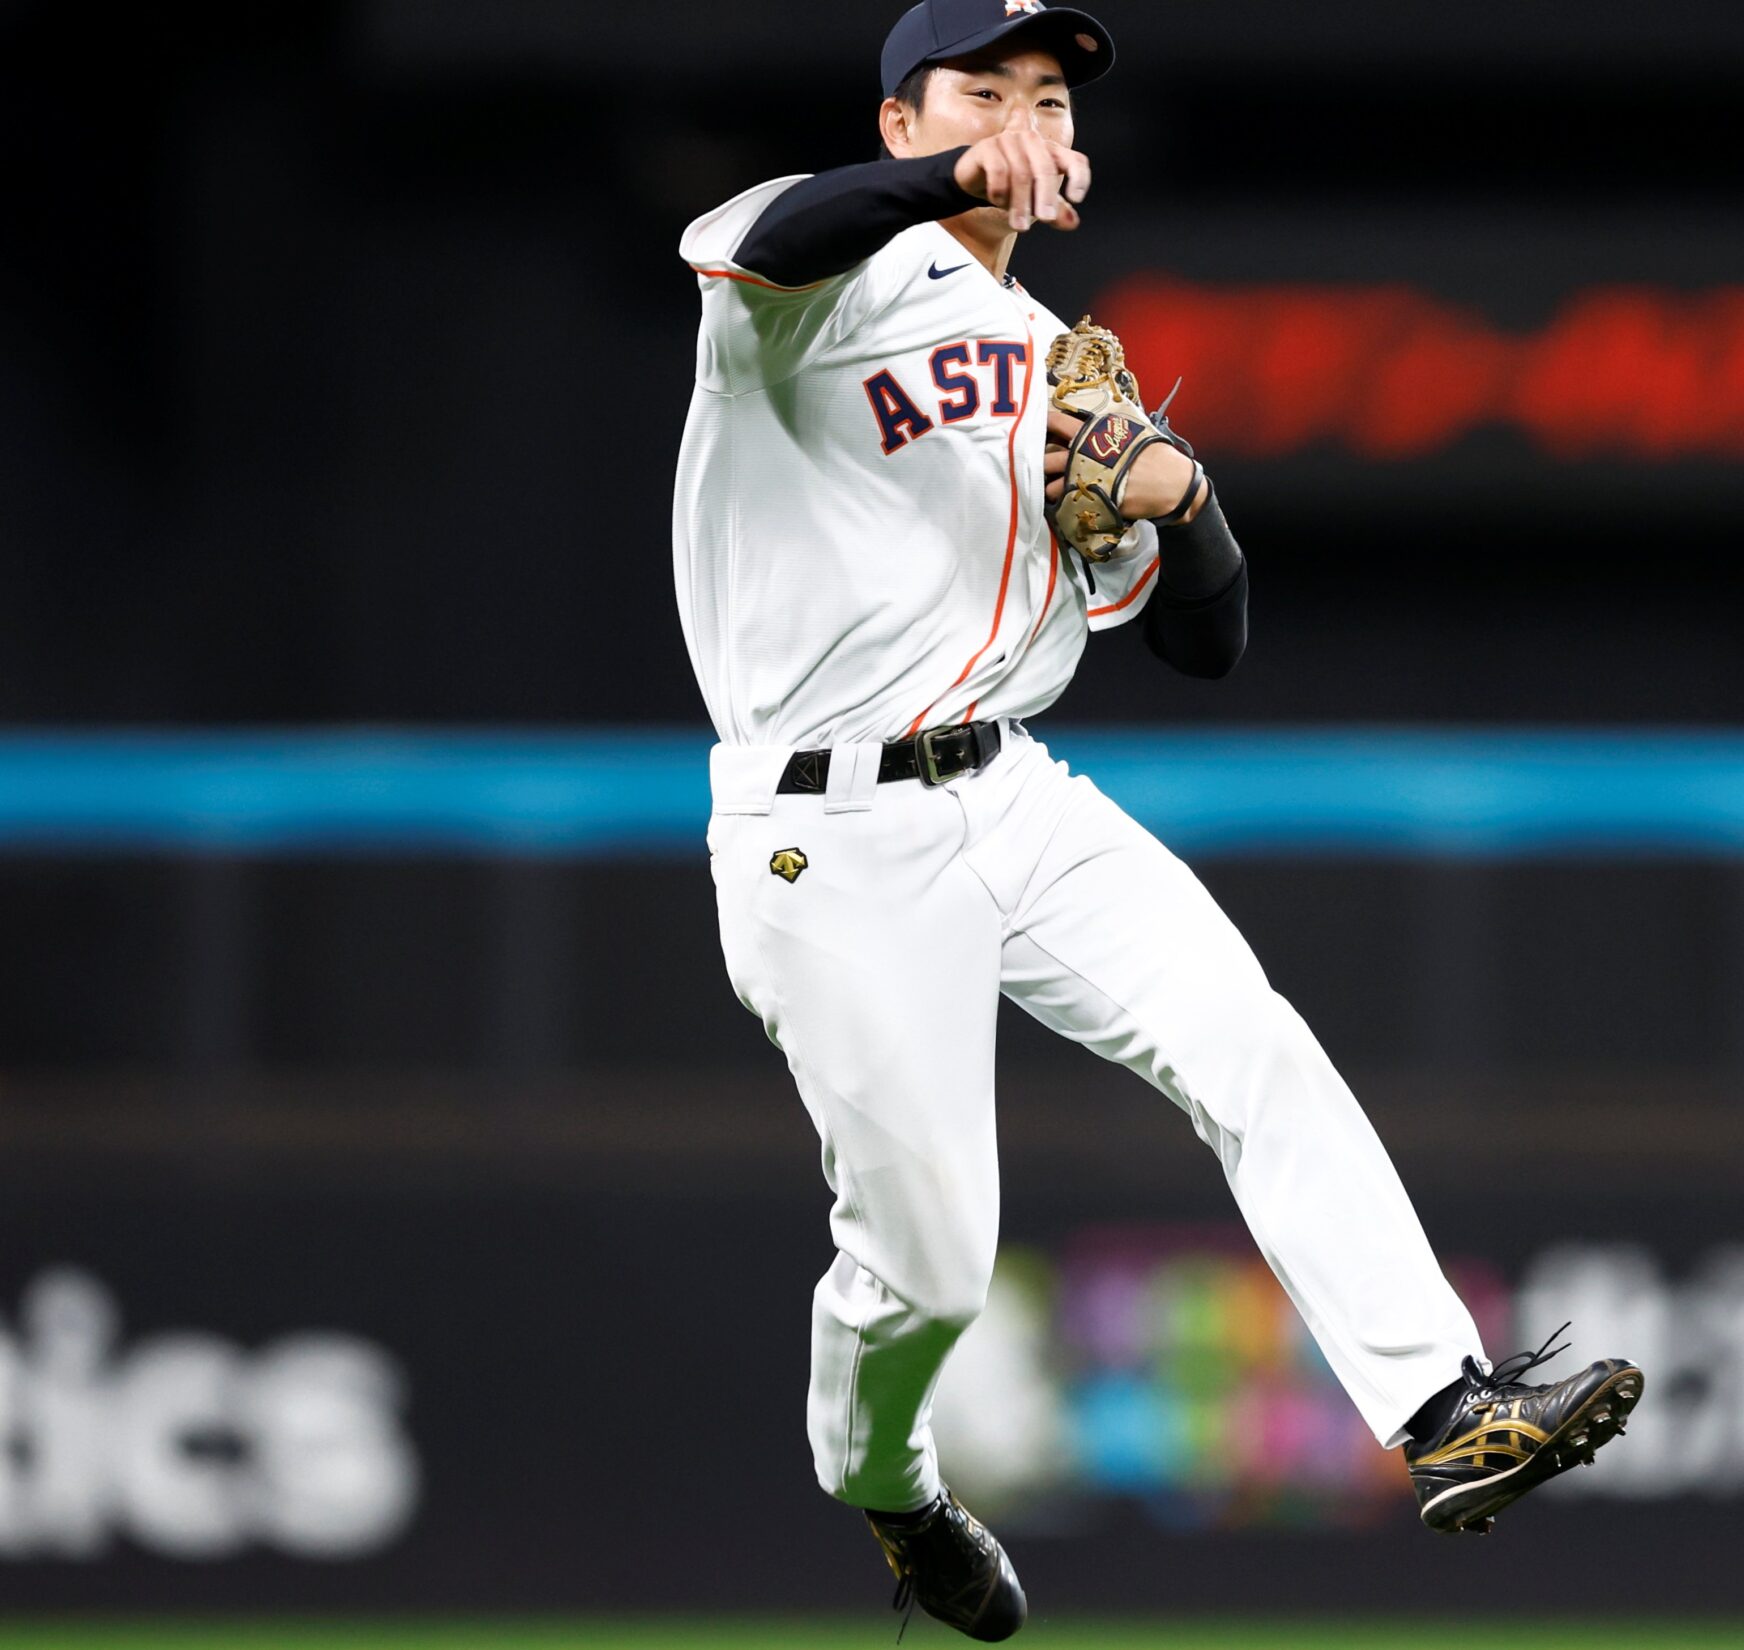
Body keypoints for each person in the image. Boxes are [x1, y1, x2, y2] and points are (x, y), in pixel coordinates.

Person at [670, 0, 1642, 1636]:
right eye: (984, 90)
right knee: (933, 1263)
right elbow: (767, 237)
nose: (1024, 119)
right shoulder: (812, 284)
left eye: (1049, 97)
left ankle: (1444, 1408)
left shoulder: (1058, 362)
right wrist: (955, 179)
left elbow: (1205, 640)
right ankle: (887, 1483)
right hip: (825, 830)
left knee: (1249, 1041)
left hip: (1012, 791)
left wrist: (1185, 500)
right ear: (902, 121)